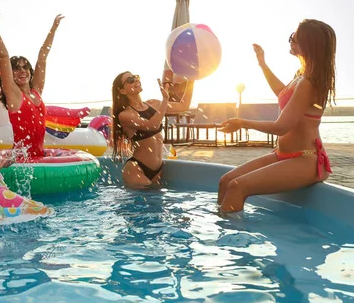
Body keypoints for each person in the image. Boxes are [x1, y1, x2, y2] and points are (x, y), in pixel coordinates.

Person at [217, 19, 336, 213]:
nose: (290, 41)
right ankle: (221, 224)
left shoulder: (309, 83)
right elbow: (282, 93)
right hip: (282, 155)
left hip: (305, 158)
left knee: (237, 187)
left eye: (294, 38)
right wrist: (262, 64)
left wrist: (242, 122)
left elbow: (281, 127)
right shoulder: (301, 76)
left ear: (308, 44)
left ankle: (229, 241)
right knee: (226, 181)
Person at [0, 3, 63, 157]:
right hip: (22, 159)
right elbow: (3, 57)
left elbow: (42, 58)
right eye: (17, 68)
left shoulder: (36, 92)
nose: (22, 71)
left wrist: (53, 28)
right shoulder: (13, 94)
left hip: (40, 156)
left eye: (25, 67)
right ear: (10, 74)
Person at [111, 72, 194, 187]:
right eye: (130, 80)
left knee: (155, 202)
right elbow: (152, 125)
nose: (135, 80)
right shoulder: (125, 115)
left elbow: (183, 106)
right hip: (136, 169)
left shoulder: (153, 103)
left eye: (135, 77)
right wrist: (165, 100)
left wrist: (192, 79)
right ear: (122, 91)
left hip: (157, 170)